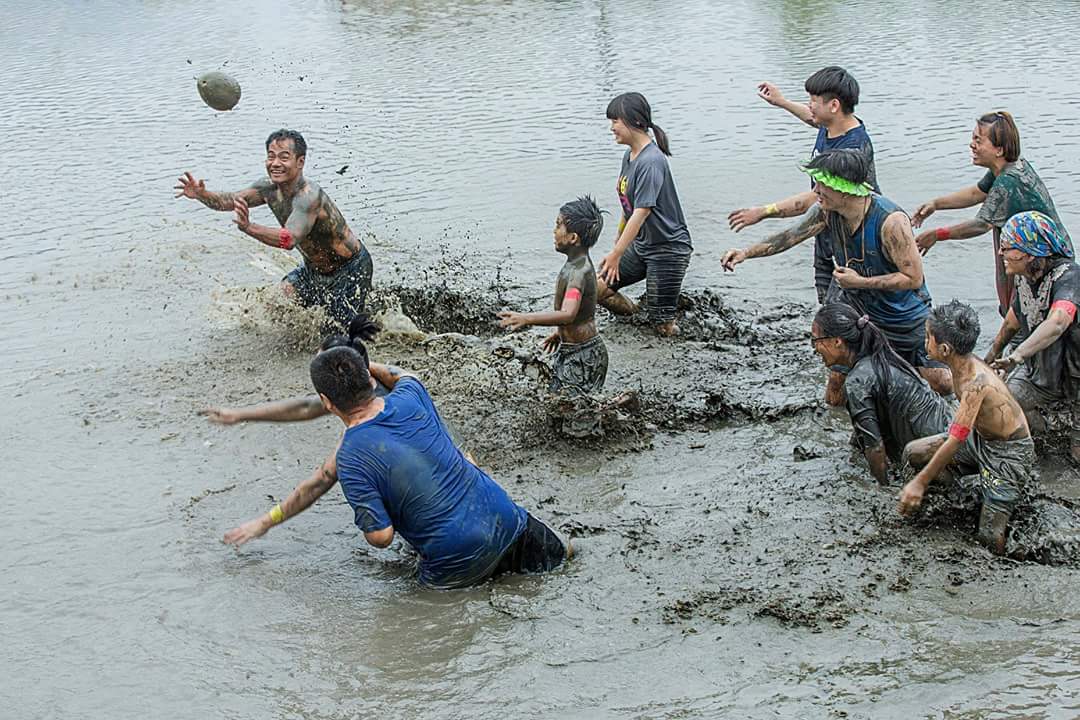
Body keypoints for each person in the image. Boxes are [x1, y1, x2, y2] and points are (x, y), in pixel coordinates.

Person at [222, 344, 569, 589]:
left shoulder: (352, 457)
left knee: (416, 618)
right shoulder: (411, 394)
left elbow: (381, 538)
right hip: (505, 516)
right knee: (565, 564)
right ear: (370, 380)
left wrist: (266, 523)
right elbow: (405, 373)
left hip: (456, 557)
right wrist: (362, 363)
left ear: (327, 403)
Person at [723, 149, 951, 400]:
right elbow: (789, 236)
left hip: (903, 314)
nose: (817, 190)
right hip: (859, 311)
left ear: (844, 189)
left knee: (941, 383)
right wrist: (746, 253)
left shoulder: (892, 222)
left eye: (823, 184)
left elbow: (913, 278)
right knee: (837, 384)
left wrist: (860, 282)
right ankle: (834, 428)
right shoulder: (825, 211)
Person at [175, 129, 374, 327]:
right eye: (271, 156)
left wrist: (249, 227)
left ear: (300, 162)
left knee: (338, 335)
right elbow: (228, 202)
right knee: (278, 303)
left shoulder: (309, 197)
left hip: (349, 270)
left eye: (284, 157)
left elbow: (288, 239)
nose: (275, 163)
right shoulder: (268, 188)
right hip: (313, 269)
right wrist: (202, 194)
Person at [729, 66, 880, 303]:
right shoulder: (835, 124)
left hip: (855, 246)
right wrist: (781, 102)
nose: (809, 106)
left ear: (834, 106)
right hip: (828, 236)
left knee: (838, 319)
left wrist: (763, 212)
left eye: (813, 101)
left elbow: (810, 201)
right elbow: (813, 119)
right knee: (827, 316)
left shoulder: (851, 152)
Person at [899, 300, 1035, 555]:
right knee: (914, 452)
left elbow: (955, 440)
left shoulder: (975, 382)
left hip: (1009, 454)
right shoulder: (960, 365)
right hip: (980, 437)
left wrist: (919, 482)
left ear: (944, 348)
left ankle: (1004, 573)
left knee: (989, 537)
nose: (924, 340)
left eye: (927, 337)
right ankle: (960, 497)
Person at [911, 111, 1072, 316]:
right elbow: (977, 193)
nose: (972, 145)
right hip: (1031, 257)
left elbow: (981, 224)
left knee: (1028, 317)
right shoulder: (1006, 168)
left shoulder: (1009, 179)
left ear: (999, 149)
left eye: (978, 140)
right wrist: (936, 204)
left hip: (1046, 264)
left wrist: (936, 235)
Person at [811, 303, 974, 484]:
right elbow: (864, 433)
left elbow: (875, 448)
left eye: (816, 341)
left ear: (837, 341)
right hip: (954, 433)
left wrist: (881, 487)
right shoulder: (881, 357)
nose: (815, 348)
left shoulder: (857, 380)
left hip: (947, 455)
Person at [983, 212, 1080, 462]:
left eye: (1007, 248)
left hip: (1075, 376)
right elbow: (1015, 317)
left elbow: (1059, 321)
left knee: (1077, 455)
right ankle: (1047, 430)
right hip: (1040, 371)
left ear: (1028, 253)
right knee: (999, 406)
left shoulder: (1069, 278)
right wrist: (992, 355)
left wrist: (1017, 355)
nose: (1000, 253)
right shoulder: (1025, 276)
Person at [596, 92, 692, 337]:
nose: (612, 128)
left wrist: (617, 254)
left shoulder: (651, 161)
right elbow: (628, 207)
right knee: (596, 290)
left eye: (615, 121)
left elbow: (642, 212)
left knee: (662, 326)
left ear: (634, 121)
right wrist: (618, 243)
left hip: (668, 249)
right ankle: (635, 313)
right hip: (641, 245)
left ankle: (672, 328)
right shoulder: (629, 156)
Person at [497, 196, 608, 395]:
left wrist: (526, 318)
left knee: (576, 412)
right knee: (560, 400)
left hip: (584, 355)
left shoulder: (578, 272)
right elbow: (582, 311)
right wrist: (560, 333)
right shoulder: (575, 266)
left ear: (573, 238)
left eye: (558, 226)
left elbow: (568, 314)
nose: (554, 231)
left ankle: (620, 404)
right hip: (573, 349)